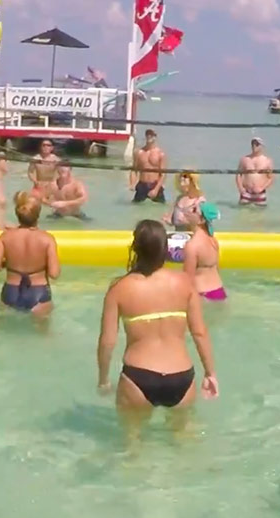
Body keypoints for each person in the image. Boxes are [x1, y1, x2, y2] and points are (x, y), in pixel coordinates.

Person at [97, 220, 219, 440]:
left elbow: (108, 341)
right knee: (184, 443)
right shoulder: (184, 283)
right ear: (166, 249)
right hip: (182, 377)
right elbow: (199, 332)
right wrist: (210, 373)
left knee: (132, 446)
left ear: (135, 248)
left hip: (138, 377)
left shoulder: (119, 289)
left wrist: (103, 378)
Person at [0, 192, 60, 316]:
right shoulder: (47, 239)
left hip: (11, 291)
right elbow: (54, 274)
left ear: (17, 214)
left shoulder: (5, 237)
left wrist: (8, 263)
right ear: (38, 214)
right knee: (42, 334)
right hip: (38, 291)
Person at [184, 202, 226, 301]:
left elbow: (187, 280)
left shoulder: (192, 246)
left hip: (203, 295)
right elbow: (217, 269)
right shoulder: (213, 241)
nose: (189, 210)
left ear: (201, 220)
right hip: (219, 292)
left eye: (194, 210)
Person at [130, 129, 167, 203]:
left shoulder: (160, 154)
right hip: (142, 184)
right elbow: (134, 170)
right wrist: (132, 184)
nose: (149, 136)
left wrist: (156, 190)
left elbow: (163, 174)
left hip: (155, 184)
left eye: (151, 135)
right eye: (147, 134)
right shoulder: (139, 153)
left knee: (161, 208)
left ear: (155, 137)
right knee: (135, 206)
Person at [236, 137, 274, 206]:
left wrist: (262, 188)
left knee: (261, 215)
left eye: (257, 144)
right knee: (242, 213)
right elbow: (238, 175)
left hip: (259, 194)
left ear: (262, 146)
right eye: (253, 144)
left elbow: (271, 178)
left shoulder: (267, 161)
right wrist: (240, 188)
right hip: (246, 192)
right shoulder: (244, 159)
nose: (254, 146)